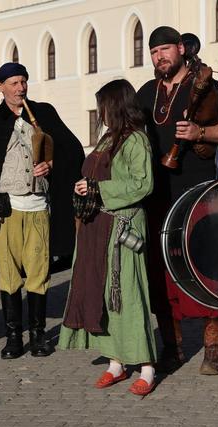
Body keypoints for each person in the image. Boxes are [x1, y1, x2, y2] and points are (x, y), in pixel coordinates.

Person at [0, 62, 84, 359]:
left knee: (39, 273)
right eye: (13, 83)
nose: (20, 88)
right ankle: (13, 337)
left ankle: (38, 336)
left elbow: (73, 150)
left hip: (38, 207)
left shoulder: (44, 113)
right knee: (10, 274)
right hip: (6, 211)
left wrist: (52, 164)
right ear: (0, 86)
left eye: (23, 82)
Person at [136, 26, 218, 376]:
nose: (159, 57)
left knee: (206, 266)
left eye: (164, 49)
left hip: (197, 191)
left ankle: (213, 346)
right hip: (155, 195)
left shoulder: (205, 86)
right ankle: (173, 346)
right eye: (153, 52)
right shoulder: (147, 92)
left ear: (181, 48)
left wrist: (201, 133)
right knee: (160, 271)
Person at [58, 79, 157, 396]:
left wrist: (99, 189)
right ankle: (116, 362)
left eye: (102, 106)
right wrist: (83, 186)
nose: (100, 113)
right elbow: (95, 177)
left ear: (114, 106)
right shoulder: (106, 140)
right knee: (105, 296)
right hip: (96, 227)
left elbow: (143, 184)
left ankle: (146, 367)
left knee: (127, 294)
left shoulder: (136, 140)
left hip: (121, 228)